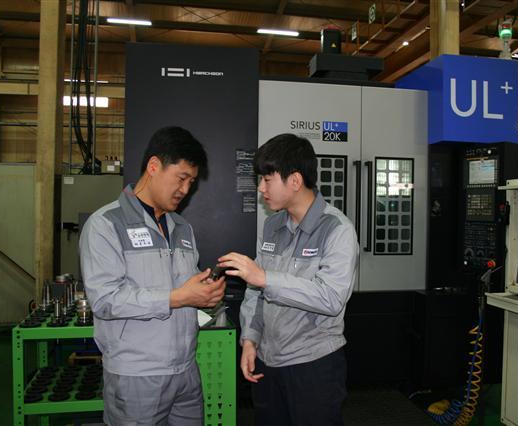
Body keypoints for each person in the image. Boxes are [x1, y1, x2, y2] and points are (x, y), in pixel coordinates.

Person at [80, 126, 225, 425]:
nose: (185, 189)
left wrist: (205, 295)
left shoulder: (182, 228)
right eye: (181, 178)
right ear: (154, 166)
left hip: (186, 371)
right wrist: (177, 297)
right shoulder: (106, 225)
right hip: (136, 375)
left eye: (191, 182)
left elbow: (184, 291)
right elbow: (106, 300)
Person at [219, 133, 359, 425]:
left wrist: (265, 278)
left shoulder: (338, 230)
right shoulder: (272, 226)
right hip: (268, 362)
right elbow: (255, 292)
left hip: (314, 365)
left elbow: (331, 298)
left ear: (295, 180)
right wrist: (250, 340)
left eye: (267, 179)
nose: (261, 188)